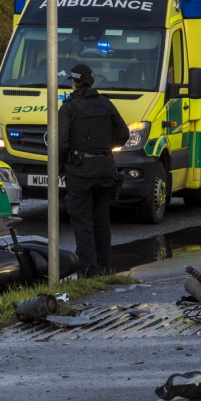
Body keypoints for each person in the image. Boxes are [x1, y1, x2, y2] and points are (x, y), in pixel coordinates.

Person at [58, 64, 129, 278]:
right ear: (91, 81)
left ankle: (89, 271)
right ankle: (105, 266)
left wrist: (62, 166)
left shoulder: (69, 107)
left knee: (82, 221)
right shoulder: (106, 104)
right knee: (101, 219)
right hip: (105, 168)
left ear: (73, 82)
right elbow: (123, 134)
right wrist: (106, 146)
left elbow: (60, 142)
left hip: (80, 171)